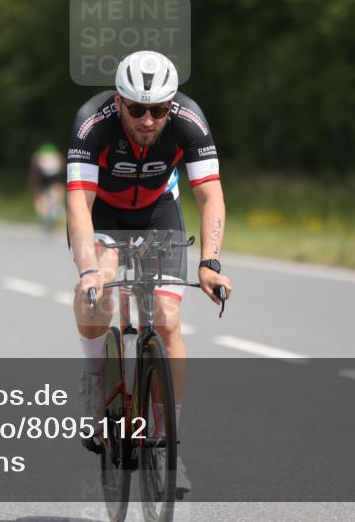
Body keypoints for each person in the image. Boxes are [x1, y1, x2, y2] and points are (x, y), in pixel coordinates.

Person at [66, 50, 234, 493]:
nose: (146, 119)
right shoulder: (91, 122)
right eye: (136, 108)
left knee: (168, 319)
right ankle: (92, 376)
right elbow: (78, 205)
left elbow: (210, 196)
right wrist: (88, 270)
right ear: (118, 101)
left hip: (160, 210)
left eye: (158, 109)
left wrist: (210, 263)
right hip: (103, 212)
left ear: (171, 104)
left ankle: (164, 440)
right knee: (99, 288)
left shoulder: (189, 120)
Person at [29, 142, 64, 229]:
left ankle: (46, 215)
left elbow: (34, 172)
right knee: (56, 192)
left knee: (41, 197)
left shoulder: (37, 157)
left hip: (42, 179)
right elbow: (61, 167)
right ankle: (52, 212)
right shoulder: (56, 157)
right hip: (52, 179)